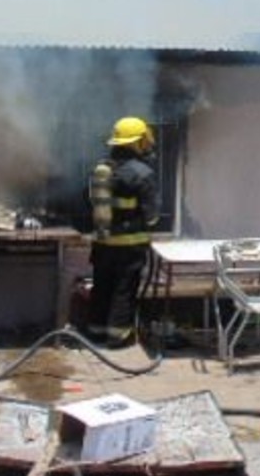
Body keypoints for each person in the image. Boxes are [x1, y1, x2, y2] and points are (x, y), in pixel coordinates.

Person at [85, 116, 160, 349]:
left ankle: (95, 332)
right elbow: (152, 216)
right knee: (123, 289)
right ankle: (118, 336)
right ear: (136, 143)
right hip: (130, 246)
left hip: (102, 242)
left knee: (102, 286)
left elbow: (90, 203)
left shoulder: (102, 169)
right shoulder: (142, 173)